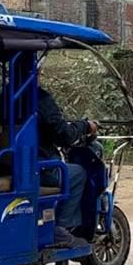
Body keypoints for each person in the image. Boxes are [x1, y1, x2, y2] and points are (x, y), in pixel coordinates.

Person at [37, 86, 98, 248]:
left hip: (9, 165)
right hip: (38, 168)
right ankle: (61, 228)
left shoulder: (6, 95)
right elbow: (65, 136)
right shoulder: (39, 98)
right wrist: (85, 126)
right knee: (78, 173)